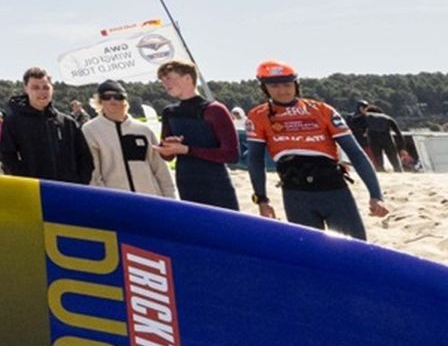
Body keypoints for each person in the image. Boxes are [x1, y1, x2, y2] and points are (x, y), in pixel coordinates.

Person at [247, 60, 389, 240]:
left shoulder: (322, 110)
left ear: (296, 85)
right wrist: (262, 199)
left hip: (334, 190)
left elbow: (356, 154)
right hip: (296, 194)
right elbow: (255, 160)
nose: (282, 90)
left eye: (287, 84)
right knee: (310, 252)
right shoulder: (258, 116)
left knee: (353, 248)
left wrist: (376, 195)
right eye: (274, 86)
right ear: (264, 88)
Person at [154, 60, 241, 210]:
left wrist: (187, 150)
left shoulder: (215, 109)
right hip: (186, 182)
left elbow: (231, 155)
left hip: (215, 183)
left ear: (187, 78)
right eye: (162, 79)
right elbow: (167, 157)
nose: (165, 83)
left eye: (169, 78)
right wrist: (167, 147)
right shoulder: (170, 112)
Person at [0, 67, 93, 184]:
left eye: (46, 87)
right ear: (26, 88)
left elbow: (85, 158)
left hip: (68, 191)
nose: (41, 92)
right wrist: (24, 182)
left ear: (52, 89)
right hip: (33, 191)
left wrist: (80, 183)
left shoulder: (67, 123)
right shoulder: (13, 122)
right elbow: (8, 157)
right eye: (35, 87)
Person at [82, 79, 176, 197]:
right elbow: (93, 174)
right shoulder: (90, 130)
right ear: (99, 101)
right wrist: (105, 202)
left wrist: (170, 198)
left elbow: (161, 169)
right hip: (115, 204)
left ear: (125, 100)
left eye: (118, 96)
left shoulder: (144, 130)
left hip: (150, 200)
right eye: (107, 96)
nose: (112, 100)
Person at [356, 102, 408, 173]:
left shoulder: (364, 117)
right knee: (395, 163)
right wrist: (402, 147)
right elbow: (398, 133)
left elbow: (356, 129)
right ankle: (399, 172)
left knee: (379, 163)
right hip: (388, 140)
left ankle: (382, 173)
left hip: (374, 141)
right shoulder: (388, 118)